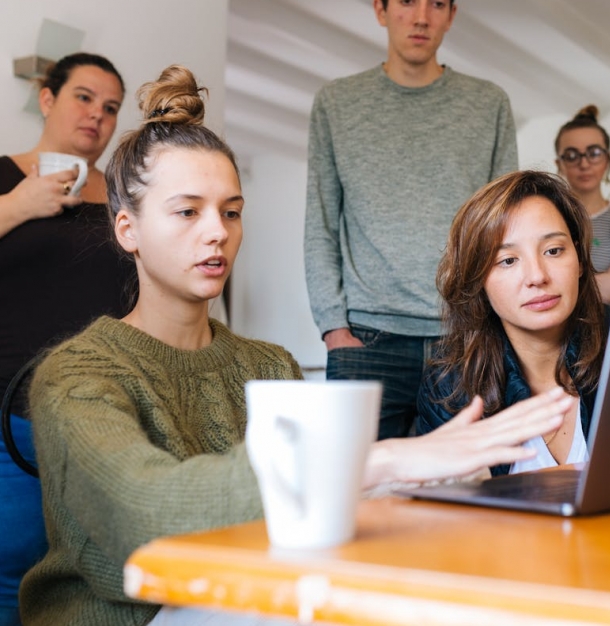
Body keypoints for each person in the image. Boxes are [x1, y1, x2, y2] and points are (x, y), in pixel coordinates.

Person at [19, 65, 570, 626]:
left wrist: (428, 481)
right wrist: (375, 459)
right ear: (127, 229)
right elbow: (143, 514)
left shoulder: (268, 365)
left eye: (231, 212)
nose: (217, 232)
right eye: (187, 211)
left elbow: (315, 526)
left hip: (256, 603)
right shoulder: (74, 377)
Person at [304, 0, 519, 440]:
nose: (421, 17)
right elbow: (320, 222)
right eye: (406, 2)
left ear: (452, 15)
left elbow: (505, 229)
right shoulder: (336, 103)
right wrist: (333, 327)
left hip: (464, 336)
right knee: (359, 496)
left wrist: (495, 326)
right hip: (364, 340)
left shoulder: (489, 104)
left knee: (460, 496)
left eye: (437, 3)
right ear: (380, 10)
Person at [0, 52, 135, 626]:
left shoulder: (127, 198)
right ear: (47, 98)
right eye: (83, 97)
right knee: (11, 571)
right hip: (10, 418)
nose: (97, 116)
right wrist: (16, 205)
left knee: (100, 578)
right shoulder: (4, 177)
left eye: (110, 108)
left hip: (102, 422)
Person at [416, 171, 606, 477]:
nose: (537, 276)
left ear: (580, 260)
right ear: (478, 280)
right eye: (508, 260)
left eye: (553, 251)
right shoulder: (449, 388)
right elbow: (443, 517)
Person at [554, 105, 610, 304]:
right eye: (571, 155)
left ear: (607, 159)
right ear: (559, 164)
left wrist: (557, 293)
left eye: (593, 152)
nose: (584, 164)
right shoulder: (548, 217)